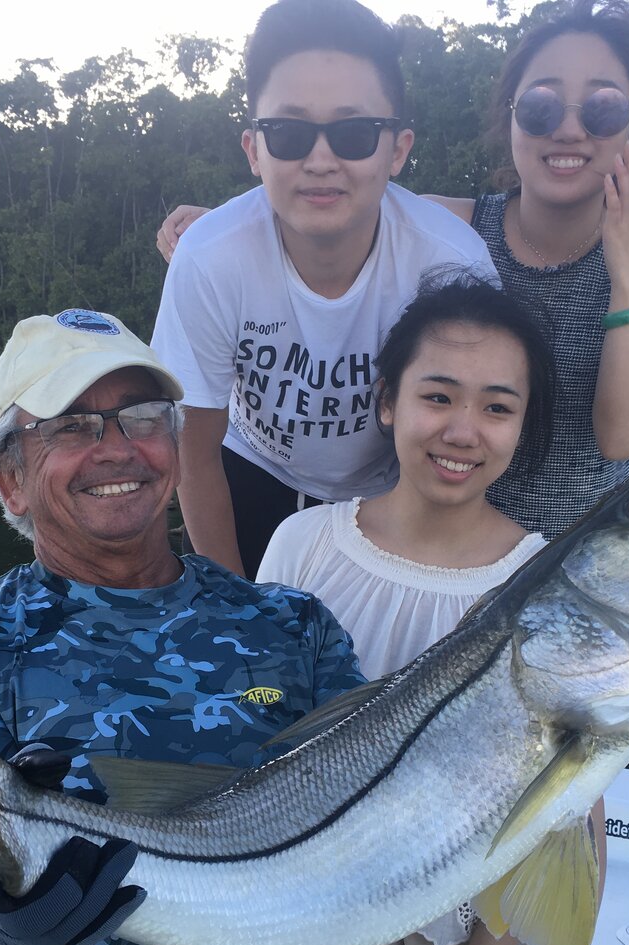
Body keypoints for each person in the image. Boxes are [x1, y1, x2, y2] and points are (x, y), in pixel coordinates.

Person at [0, 308, 366, 945]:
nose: (116, 447)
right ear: (9, 479)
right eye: (71, 426)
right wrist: (1, 900)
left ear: (173, 447)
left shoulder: (294, 626)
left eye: (141, 416)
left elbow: (362, 822)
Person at [157, 0, 629, 543]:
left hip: (567, 540)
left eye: (601, 108)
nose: (569, 129)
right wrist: (218, 237)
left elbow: (621, 438)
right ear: (511, 115)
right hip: (403, 505)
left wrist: (625, 265)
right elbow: (340, 200)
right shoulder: (457, 229)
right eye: (540, 107)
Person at [257, 274, 601, 945]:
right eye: (438, 396)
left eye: (497, 407)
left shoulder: (542, 582)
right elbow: (265, 764)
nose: (463, 431)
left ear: (522, 427)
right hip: (316, 935)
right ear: (387, 401)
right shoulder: (301, 546)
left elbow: (564, 813)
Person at [149, 0, 497, 579]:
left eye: (355, 133)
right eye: (288, 133)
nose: (320, 160)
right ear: (254, 150)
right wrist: (234, 609)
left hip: (393, 486)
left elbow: (468, 432)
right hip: (253, 471)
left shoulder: (450, 263)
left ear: (399, 150)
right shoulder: (210, 258)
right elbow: (194, 449)